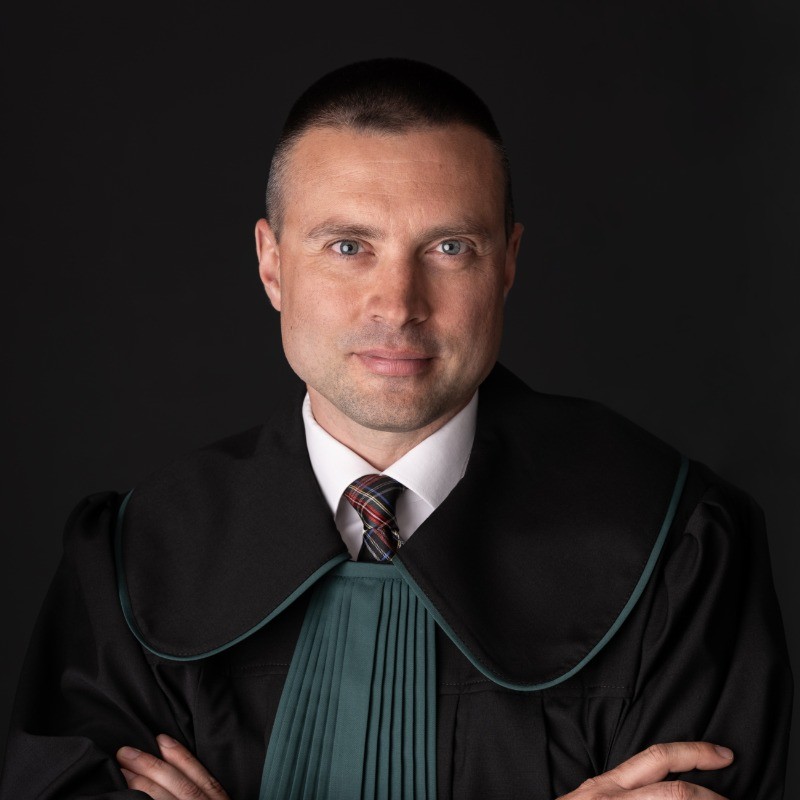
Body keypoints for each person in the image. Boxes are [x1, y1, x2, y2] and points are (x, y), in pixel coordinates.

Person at [0, 57, 792, 800]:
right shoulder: (135, 563)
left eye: (450, 248)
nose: (398, 304)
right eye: (348, 246)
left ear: (508, 263)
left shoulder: (677, 547)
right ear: (272, 265)